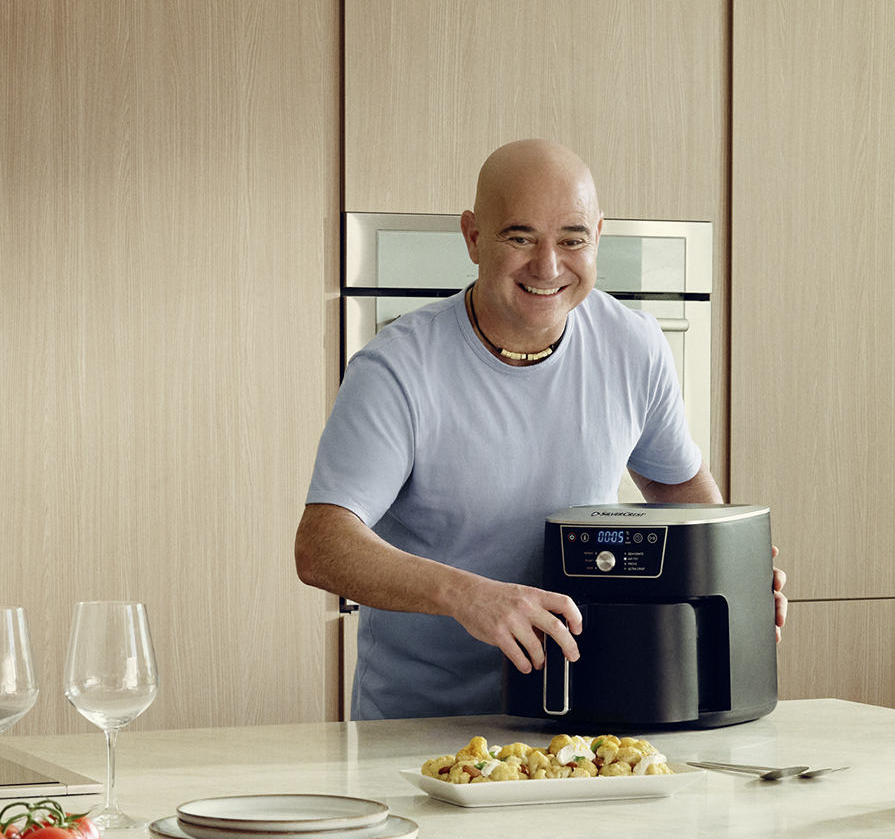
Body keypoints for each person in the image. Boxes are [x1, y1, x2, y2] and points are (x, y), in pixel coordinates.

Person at [295, 138, 786, 719]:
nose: (548, 267)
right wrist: (467, 595)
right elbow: (322, 546)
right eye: (520, 237)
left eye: (572, 240)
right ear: (473, 237)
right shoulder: (397, 369)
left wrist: (732, 580)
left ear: (598, 236)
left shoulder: (634, 346)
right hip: (419, 727)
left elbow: (681, 490)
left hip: (589, 716)